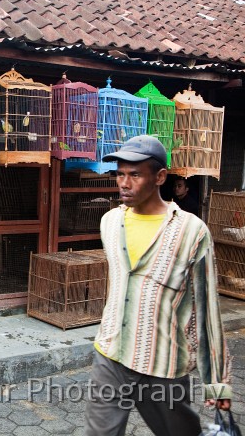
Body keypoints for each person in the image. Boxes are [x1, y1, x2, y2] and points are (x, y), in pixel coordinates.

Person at [84, 135, 232, 436]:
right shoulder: (110, 222)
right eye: (120, 174)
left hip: (163, 363)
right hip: (111, 355)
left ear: (160, 177)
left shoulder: (192, 232)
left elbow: (208, 313)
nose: (124, 183)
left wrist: (217, 386)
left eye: (135, 175)